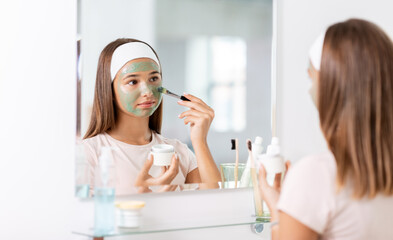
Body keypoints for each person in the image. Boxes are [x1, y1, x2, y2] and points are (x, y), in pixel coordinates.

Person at [259, 19, 393, 239]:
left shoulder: (315, 175)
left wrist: (279, 213)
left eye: (313, 78)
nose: (310, 91)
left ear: (333, 89)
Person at [83, 38, 220, 195]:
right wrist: (142, 196)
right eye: (133, 81)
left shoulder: (179, 152)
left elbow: (215, 206)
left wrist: (200, 141)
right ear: (109, 90)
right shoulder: (90, 153)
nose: (148, 91)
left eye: (154, 79)